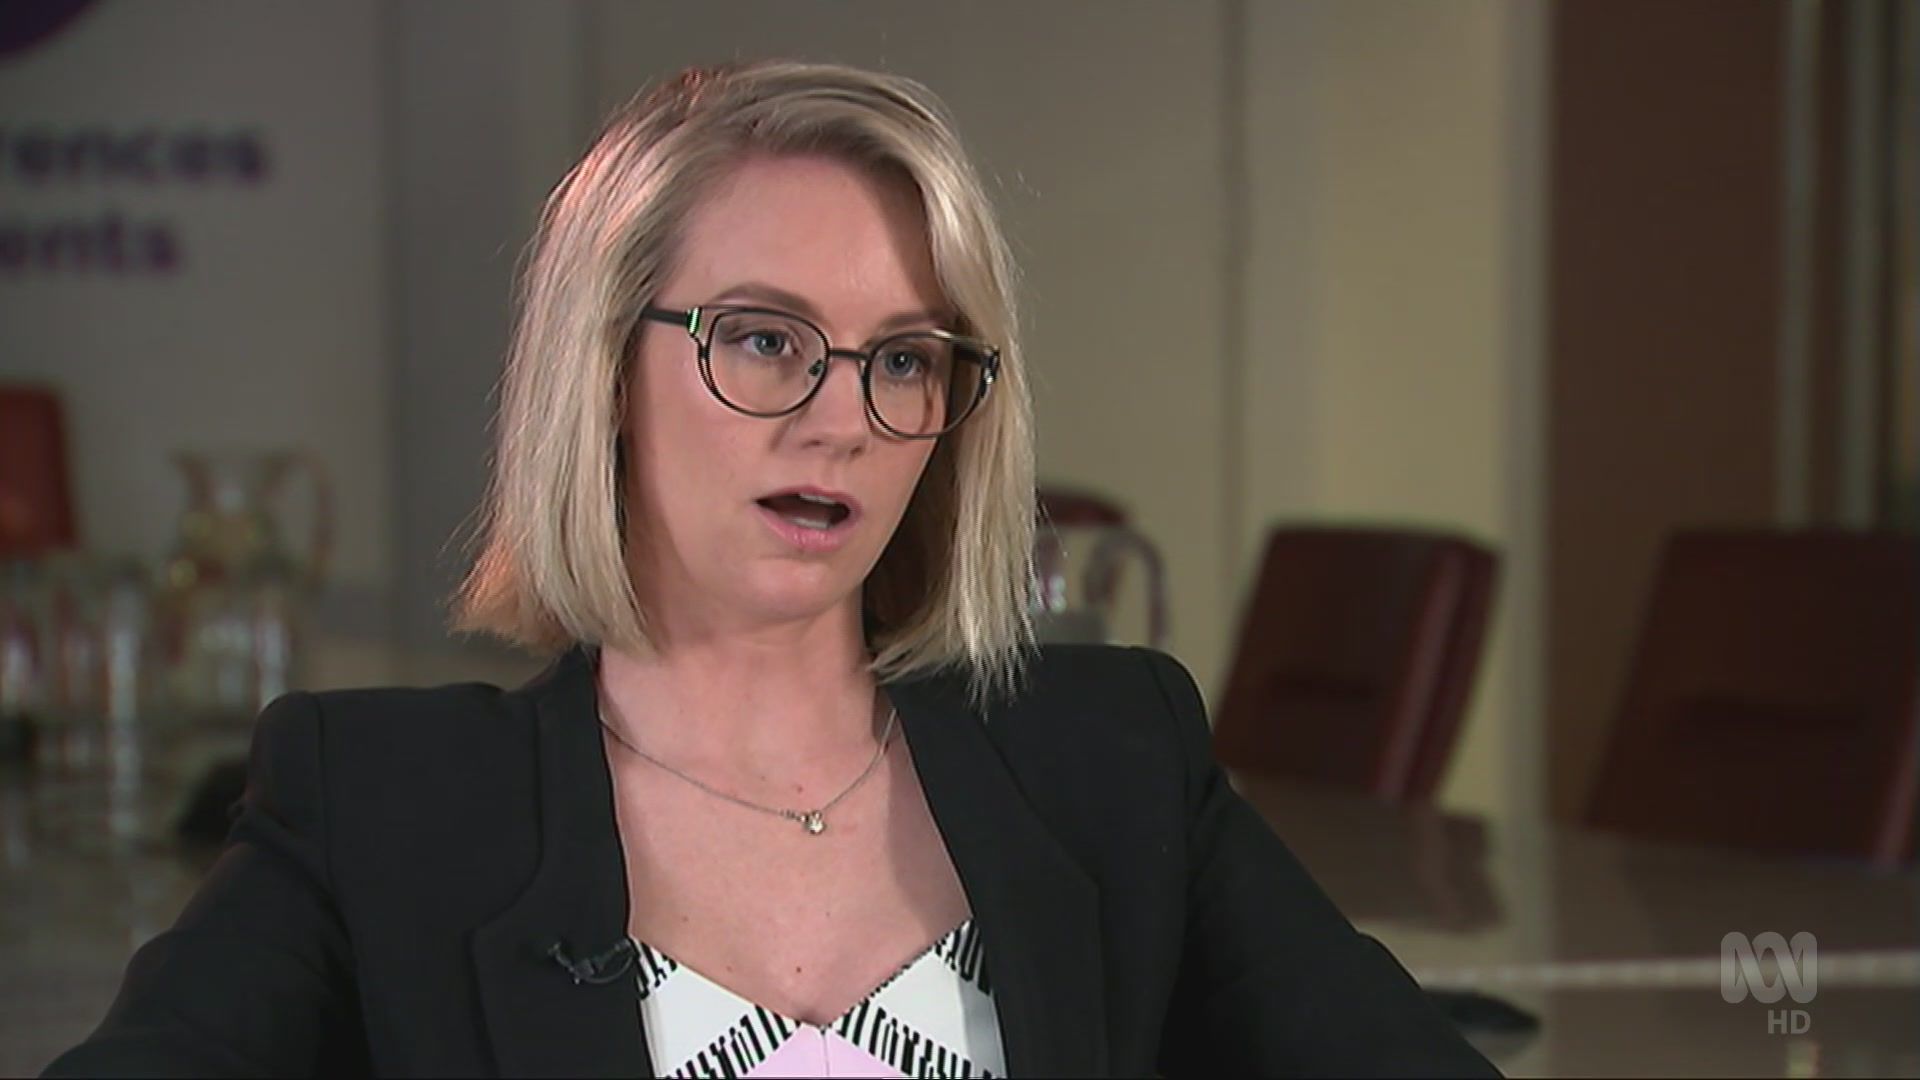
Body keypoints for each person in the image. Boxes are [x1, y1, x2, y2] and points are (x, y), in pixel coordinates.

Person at [46, 61, 1498, 1078]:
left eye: (905, 360)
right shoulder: (383, 801)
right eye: (760, 339)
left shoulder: (1112, 756)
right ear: (605, 373)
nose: (840, 419)